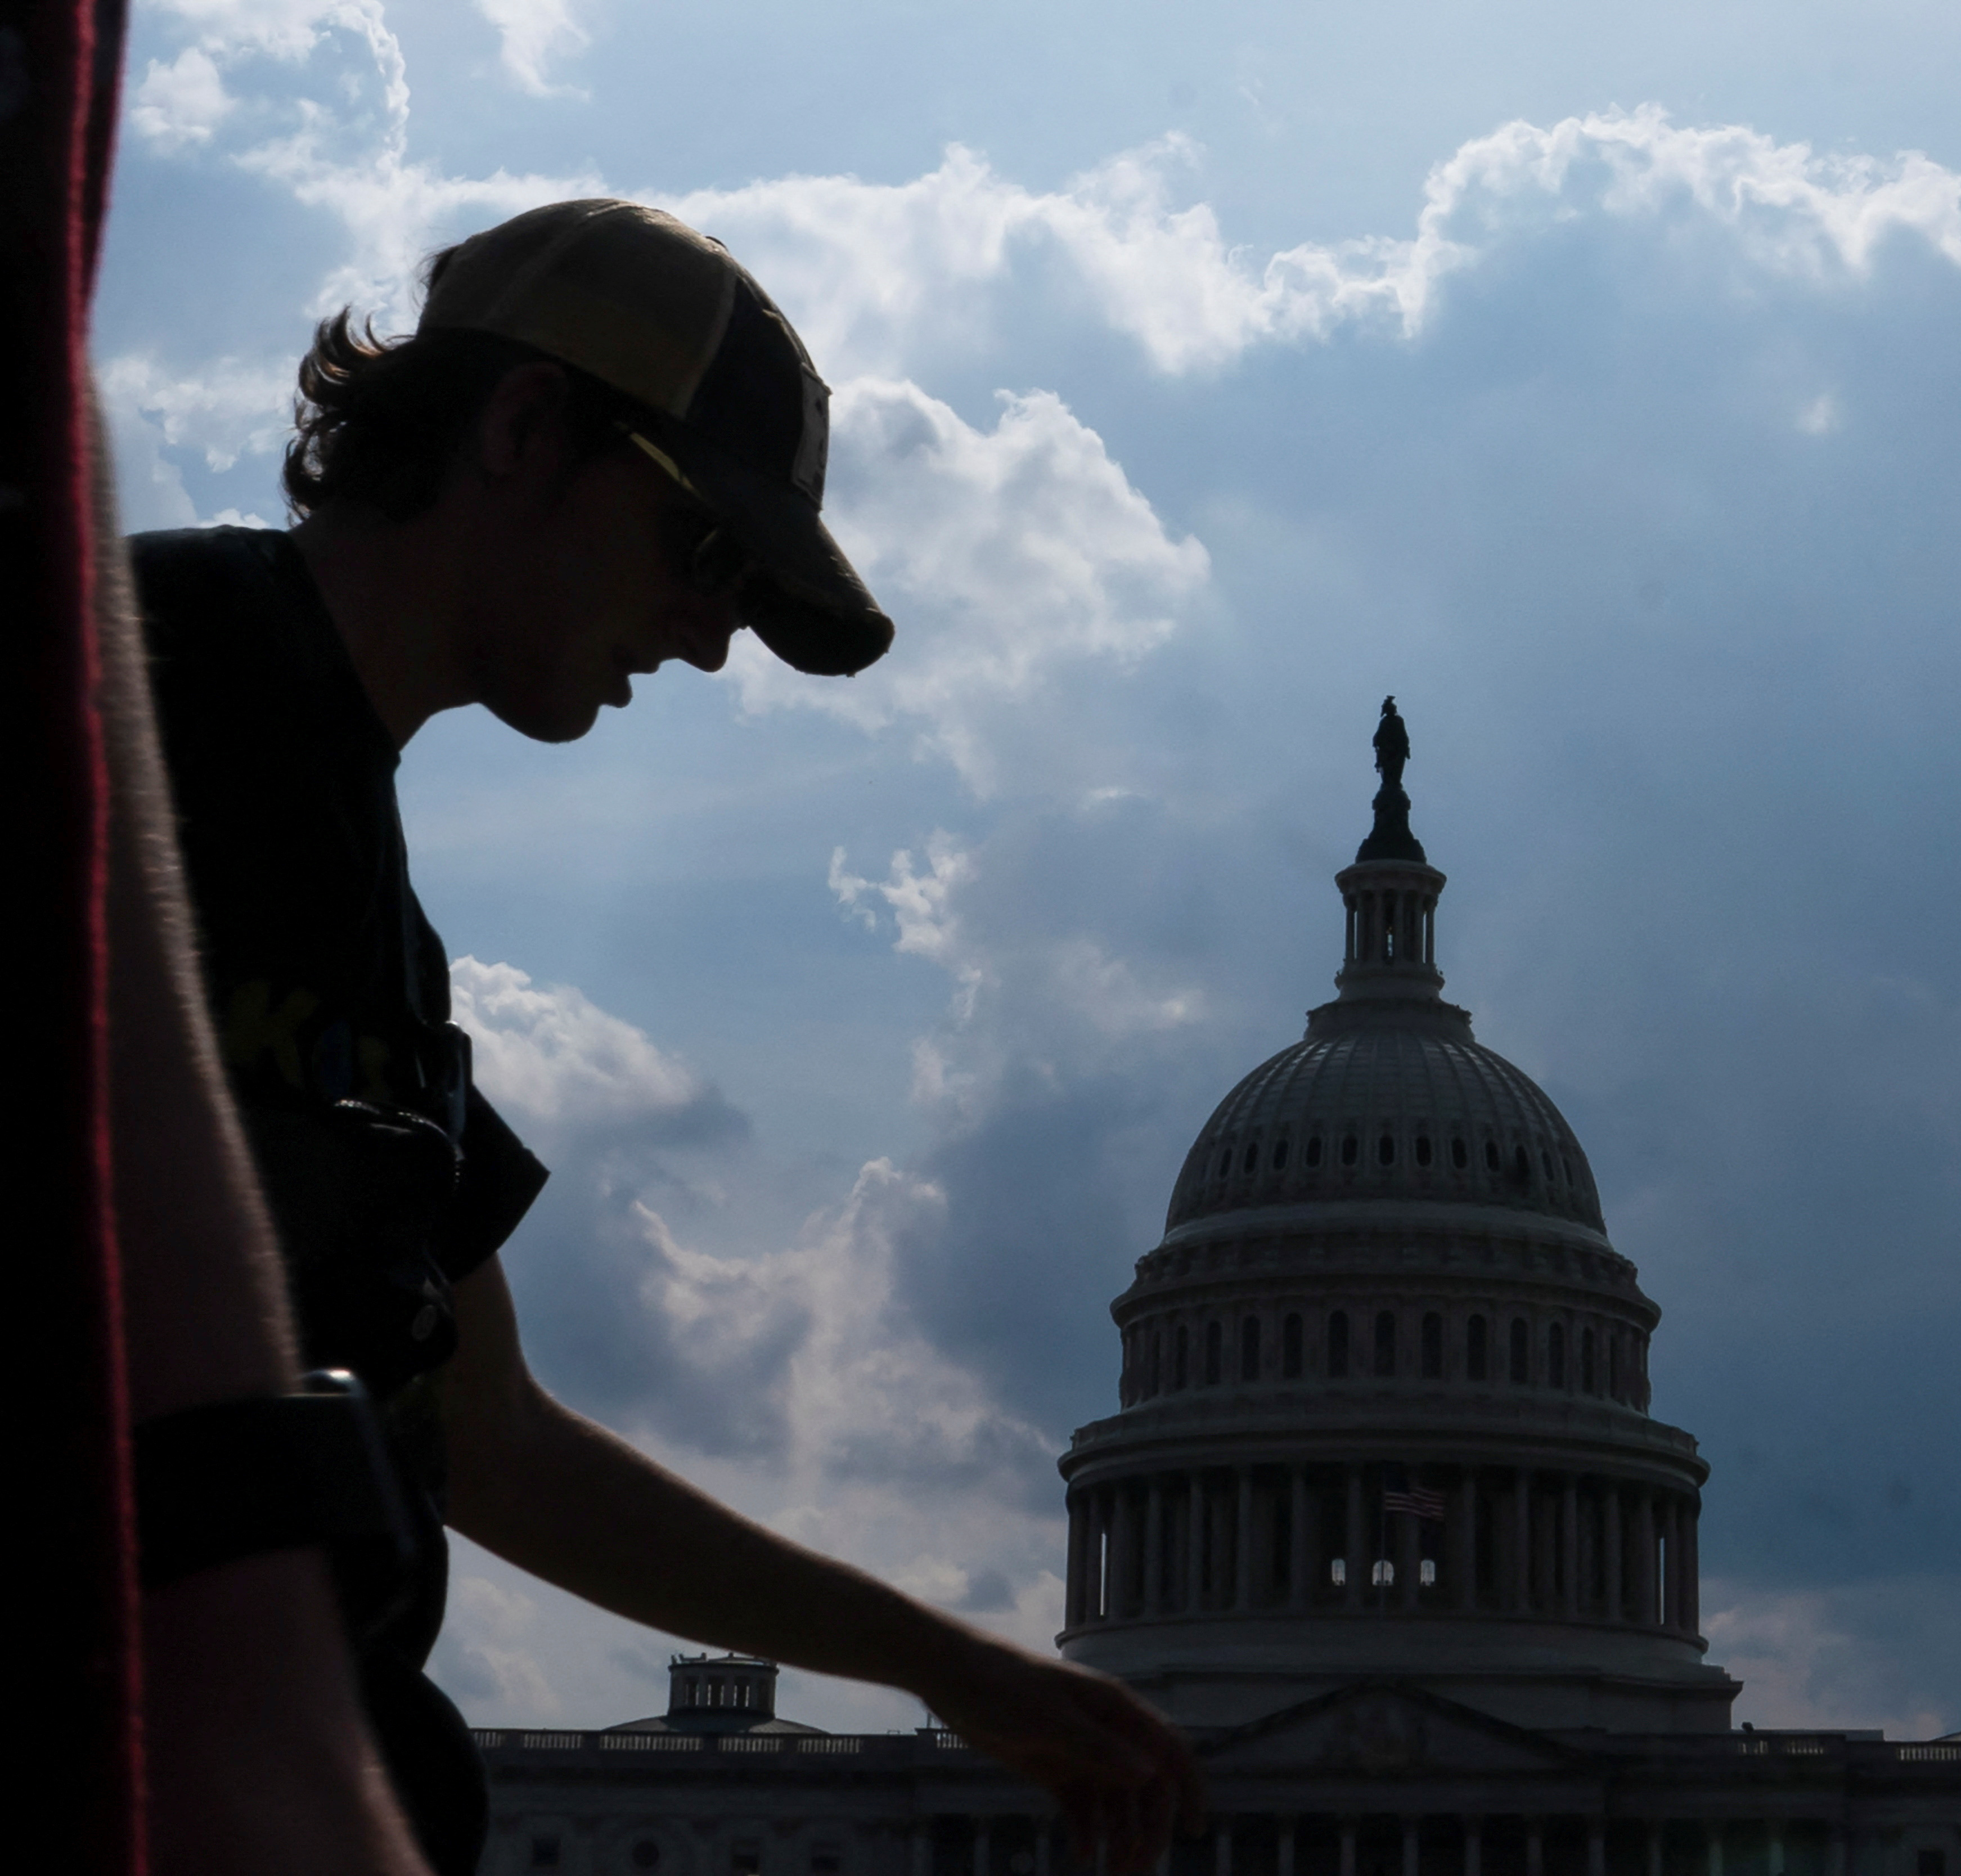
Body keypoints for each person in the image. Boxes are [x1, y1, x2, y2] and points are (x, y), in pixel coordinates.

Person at [130, 199, 1200, 1876]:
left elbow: (495, 1437)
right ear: (523, 427)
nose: (711, 641)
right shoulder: (132, 677)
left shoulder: (383, 922)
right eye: (705, 555)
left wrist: (951, 1668)